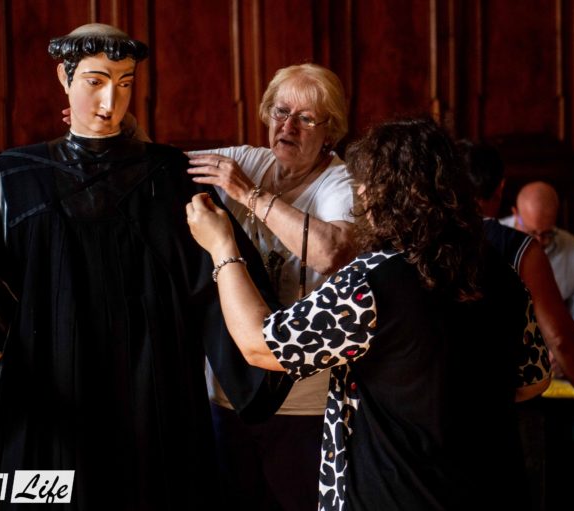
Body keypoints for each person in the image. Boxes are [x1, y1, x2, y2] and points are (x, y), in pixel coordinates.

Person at [0, 23, 284, 510]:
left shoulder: (171, 179)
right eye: (95, 81)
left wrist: (269, 352)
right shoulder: (15, 177)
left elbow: (220, 281)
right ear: (64, 78)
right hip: (50, 393)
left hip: (152, 392)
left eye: (125, 83)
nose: (110, 101)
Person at [186, 117, 552, 510]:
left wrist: (222, 247)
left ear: (385, 195)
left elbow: (261, 346)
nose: (359, 197)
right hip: (494, 492)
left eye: (364, 186)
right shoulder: (501, 273)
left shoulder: (372, 282)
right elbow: (535, 380)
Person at [185, 63, 356, 510]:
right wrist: (119, 128)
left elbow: (332, 252)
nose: (288, 126)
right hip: (228, 395)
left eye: (306, 118)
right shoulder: (251, 160)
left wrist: (250, 196)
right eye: (281, 112)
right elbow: (164, 169)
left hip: (302, 406)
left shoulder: (339, 183)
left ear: (330, 131)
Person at [460, 140, 574, 509]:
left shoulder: (422, 241)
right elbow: (561, 337)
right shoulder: (515, 247)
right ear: (502, 191)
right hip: (505, 404)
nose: (542, 242)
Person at [501, 181, 574, 349]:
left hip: (556, 352)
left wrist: (570, 350)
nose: (539, 242)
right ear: (516, 213)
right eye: (532, 233)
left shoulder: (572, 249)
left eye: (547, 234)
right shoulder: (493, 242)